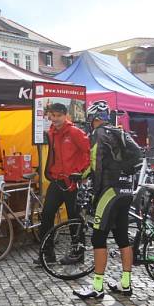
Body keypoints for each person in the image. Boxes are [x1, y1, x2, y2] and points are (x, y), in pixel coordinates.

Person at [74, 110, 135, 299]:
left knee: (98, 239)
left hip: (109, 192)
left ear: (93, 118)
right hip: (126, 190)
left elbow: (94, 164)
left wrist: (81, 177)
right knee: (122, 238)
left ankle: (97, 287)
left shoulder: (98, 134)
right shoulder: (119, 132)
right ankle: (125, 284)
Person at [36, 102, 90, 266]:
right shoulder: (51, 133)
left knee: (74, 218)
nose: (56, 119)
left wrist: (80, 172)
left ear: (65, 115)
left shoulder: (74, 132)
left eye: (59, 116)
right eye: (53, 116)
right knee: (46, 215)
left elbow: (89, 152)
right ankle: (47, 253)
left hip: (72, 182)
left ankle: (77, 253)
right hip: (57, 180)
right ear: (49, 116)